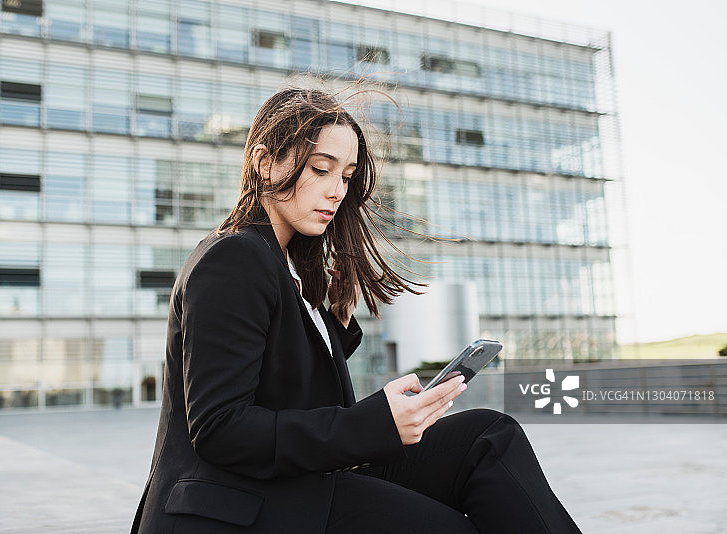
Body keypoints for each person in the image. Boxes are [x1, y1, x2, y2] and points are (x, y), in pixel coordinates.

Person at [131, 87, 582, 533]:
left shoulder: (288, 265)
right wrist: (377, 423)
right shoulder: (233, 258)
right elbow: (220, 428)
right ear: (265, 163)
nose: (336, 191)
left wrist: (335, 324)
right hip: (233, 504)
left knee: (488, 437)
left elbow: (279, 378)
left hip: (298, 481)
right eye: (320, 169)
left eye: (346, 177)